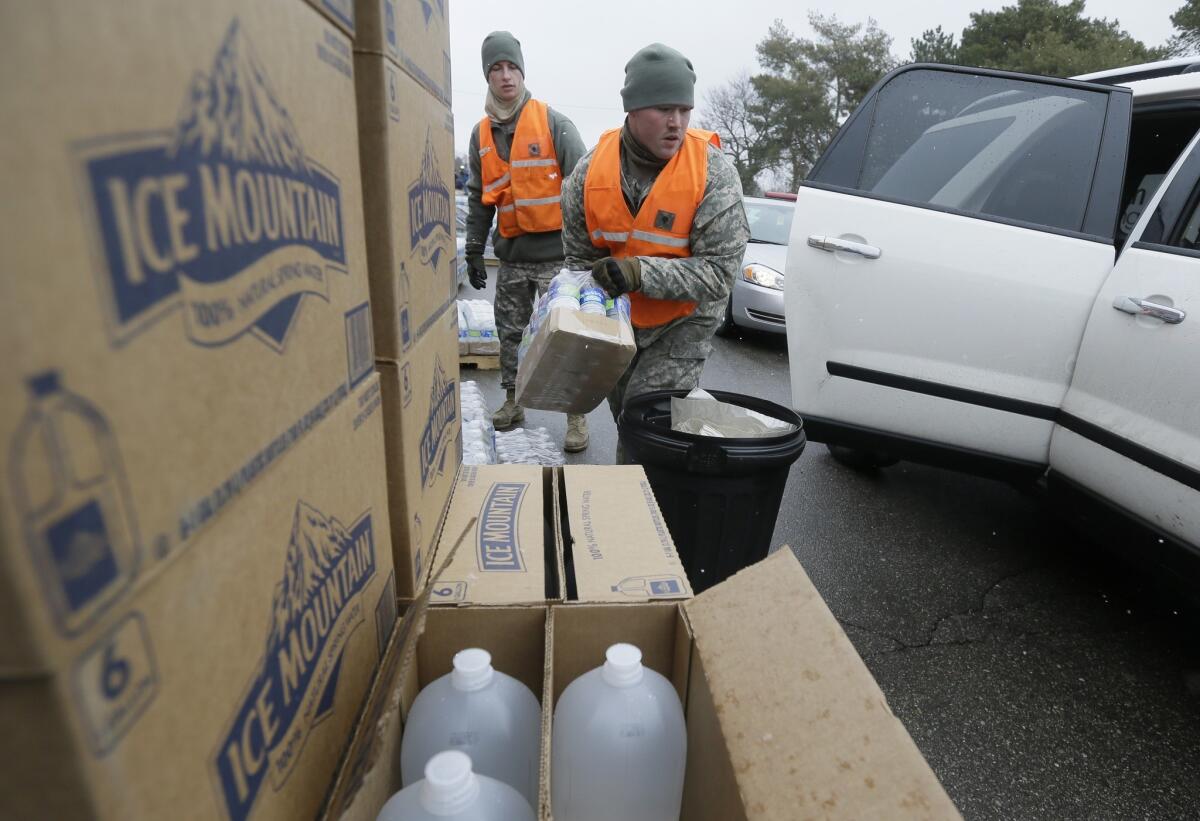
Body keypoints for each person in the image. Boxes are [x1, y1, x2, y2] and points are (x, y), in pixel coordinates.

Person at [560, 43, 749, 454]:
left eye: (684, 110)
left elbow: (719, 274)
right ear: (632, 108)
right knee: (628, 423)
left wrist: (638, 273)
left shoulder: (713, 173)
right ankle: (647, 501)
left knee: (646, 424)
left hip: (683, 323)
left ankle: (638, 511)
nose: (676, 123)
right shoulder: (588, 174)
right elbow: (577, 259)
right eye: (663, 109)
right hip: (620, 325)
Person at [464, 31, 590, 452]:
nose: (505, 76)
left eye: (512, 67)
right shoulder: (481, 135)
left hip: (559, 257)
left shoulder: (554, 123)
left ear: (522, 72)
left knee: (565, 336)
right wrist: (473, 249)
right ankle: (514, 402)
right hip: (514, 256)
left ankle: (577, 418)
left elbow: (586, 185)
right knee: (510, 334)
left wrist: (585, 255)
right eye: (496, 68)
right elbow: (480, 200)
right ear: (487, 76)